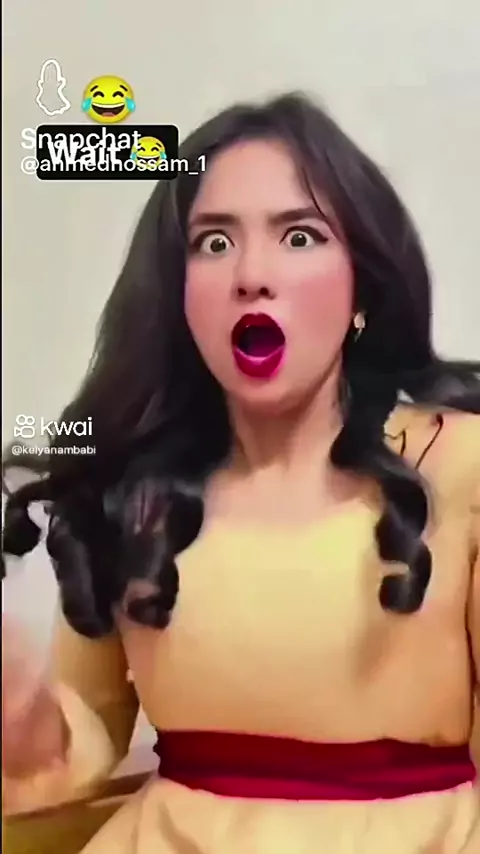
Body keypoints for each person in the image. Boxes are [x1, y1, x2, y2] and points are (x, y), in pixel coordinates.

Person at [2, 92, 480, 853]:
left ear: (361, 286)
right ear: (179, 296)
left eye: (299, 235)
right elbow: (79, 742)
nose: (252, 274)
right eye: (214, 242)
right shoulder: (129, 491)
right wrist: (22, 715)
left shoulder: (460, 466)